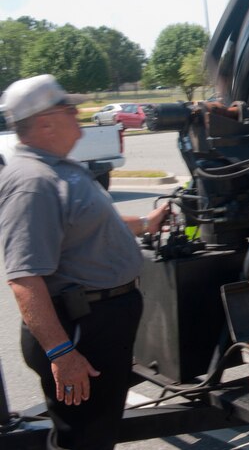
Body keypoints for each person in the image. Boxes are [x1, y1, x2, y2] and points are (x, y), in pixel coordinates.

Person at [0, 74, 169, 450]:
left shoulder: (59, 167)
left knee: (99, 433)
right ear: (44, 122)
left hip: (101, 323)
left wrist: (144, 223)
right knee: (83, 441)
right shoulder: (33, 182)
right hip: (80, 332)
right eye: (67, 107)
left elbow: (90, 222)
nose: (77, 113)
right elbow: (24, 278)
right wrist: (62, 353)